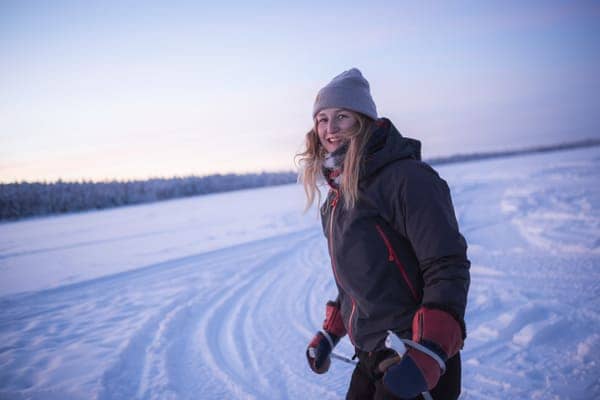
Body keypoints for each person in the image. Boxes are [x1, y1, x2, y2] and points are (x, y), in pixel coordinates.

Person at [297, 68, 470, 400]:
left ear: (362, 120)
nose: (329, 129)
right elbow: (356, 282)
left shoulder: (407, 179)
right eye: (322, 119)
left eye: (341, 116)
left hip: (414, 357)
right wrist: (331, 332)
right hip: (372, 353)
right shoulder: (338, 198)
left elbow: (447, 265)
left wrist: (430, 348)